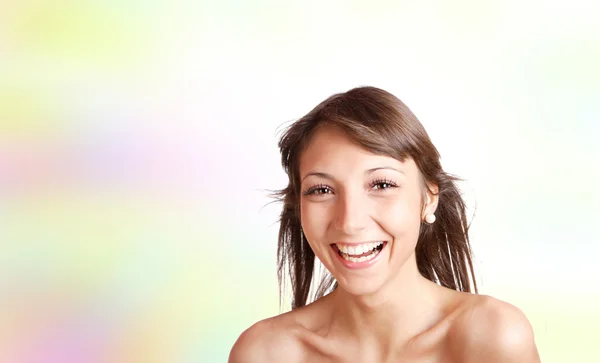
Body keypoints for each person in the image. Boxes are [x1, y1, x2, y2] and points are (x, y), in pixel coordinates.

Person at [229, 86, 540, 362]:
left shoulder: (493, 337)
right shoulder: (265, 353)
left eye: (381, 184)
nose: (349, 222)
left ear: (429, 197)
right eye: (322, 190)